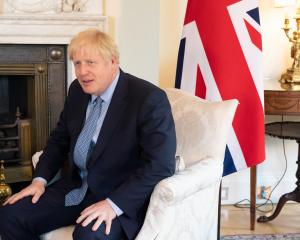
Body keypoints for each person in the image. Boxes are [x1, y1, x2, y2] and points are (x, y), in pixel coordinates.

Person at [0, 29, 176, 240]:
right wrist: (39, 180)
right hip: (76, 189)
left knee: (89, 235)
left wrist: (114, 204)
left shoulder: (148, 99)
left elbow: (160, 165)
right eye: (77, 63)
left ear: (113, 62)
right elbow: (59, 140)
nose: (82, 72)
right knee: (10, 214)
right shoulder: (77, 90)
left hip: (118, 196)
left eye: (91, 62)